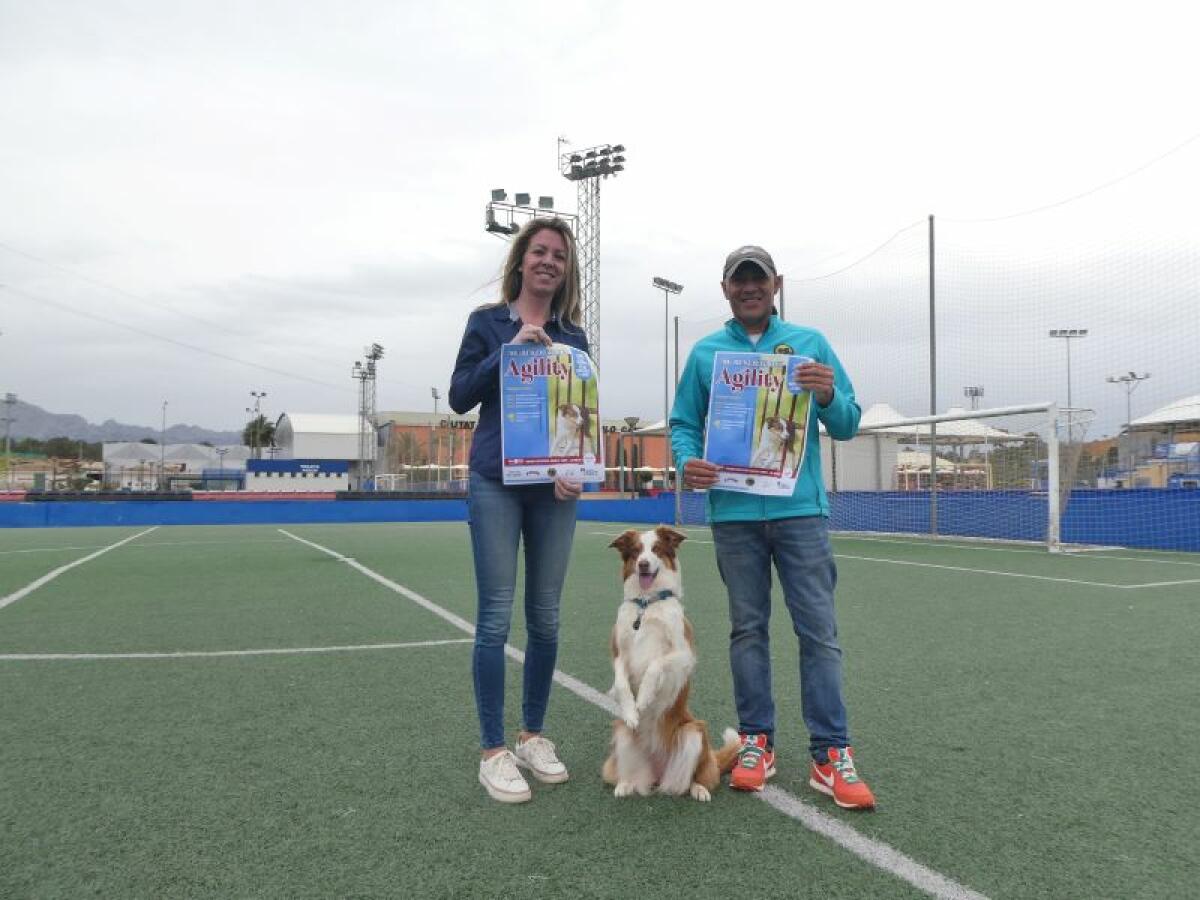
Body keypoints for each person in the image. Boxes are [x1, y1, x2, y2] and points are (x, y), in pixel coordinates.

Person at [668, 244, 876, 810]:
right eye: (740, 280)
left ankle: (830, 752)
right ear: (726, 289)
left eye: (759, 279)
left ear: (776, 284)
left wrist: (827, 393)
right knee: (747, 631)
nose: (750, 288)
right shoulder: (707, 354)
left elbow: (850, 422)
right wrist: (688, 463)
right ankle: (757, 741)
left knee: (819, 633)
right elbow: (683, 423)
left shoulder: (810, 344)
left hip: (800, 513)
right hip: (734, 515)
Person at [449, 218, 587, 804]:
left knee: (548, 617)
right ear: (521, 260)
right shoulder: (487, 324)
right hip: (495, 484)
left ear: (566, 269)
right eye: (539, 251)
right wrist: (505, 356)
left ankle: (532, 735)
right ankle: (492, 749)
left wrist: (575, 466)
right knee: (496, 617)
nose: (548, 261)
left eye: (558, 254)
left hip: (551, 490)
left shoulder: (575, 339)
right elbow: (459, 397)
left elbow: (580, 415)